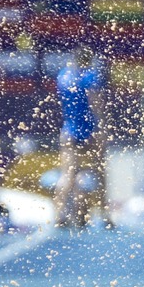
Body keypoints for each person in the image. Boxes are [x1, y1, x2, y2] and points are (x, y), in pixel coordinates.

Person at [53, 46, 108, 227]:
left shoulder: (63, 76)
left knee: (68, 174)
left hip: (68, 130)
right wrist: (101, 128)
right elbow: (96, 104)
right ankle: (104, 214)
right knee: (99, 173)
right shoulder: (91, 77)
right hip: (89, 130)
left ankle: (61, 215)